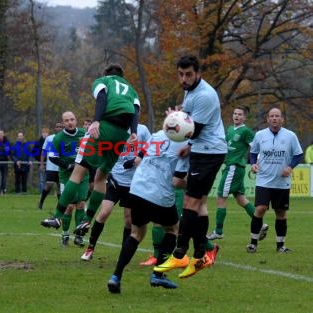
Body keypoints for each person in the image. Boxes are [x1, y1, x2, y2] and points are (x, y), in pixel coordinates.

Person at [41, 64, 140, 233]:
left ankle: (57, 215)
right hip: (122, 134)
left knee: (77, 173)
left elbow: (101, 97)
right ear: (122, 76)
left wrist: (96, 120)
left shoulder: (103, 81)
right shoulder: (132, 90)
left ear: (106, 74)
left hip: (105, 128)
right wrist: (134, 133)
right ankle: (87, 220)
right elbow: (136, 110)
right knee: (101, 177)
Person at [154, 55, 227, 279]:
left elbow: (192, 129)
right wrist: (184, 134)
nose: (184, 79)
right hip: (200, 149)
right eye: (181, 74)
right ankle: (202, 255)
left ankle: (180, 252)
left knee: (190, 201)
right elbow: (190, 124)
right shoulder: (190, 91)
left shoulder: (204, 95)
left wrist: (173, 121)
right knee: (200, 203)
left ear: (198, 73)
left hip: (209, 152)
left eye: (188, 75)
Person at [107, 129, 189, 293]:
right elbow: (177, 181)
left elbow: (137, 161)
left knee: (136, 234)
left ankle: (116, 276)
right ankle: (158, 274)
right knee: (173, 230)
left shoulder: (157, 135)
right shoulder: (185, 146)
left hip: (137, 188)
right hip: (160, 194)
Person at [81, 123, 150, 261]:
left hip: (133, 183)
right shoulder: (116, 128)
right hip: (115, 178)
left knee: (129, 220)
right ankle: (90, 248)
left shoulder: (143, 130)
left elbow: (150, 148)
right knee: (104, 212)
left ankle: (123, 253)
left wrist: (136, 160)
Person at [246, 107, 303, 253]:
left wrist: (290, 167)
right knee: (260, 209)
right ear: (267, 119)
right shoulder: (259, 135)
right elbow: (253, 153)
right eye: (272, 116)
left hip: (282, 183)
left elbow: (298, 155)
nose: (274, 118)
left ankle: (280, 246)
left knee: (280, 212)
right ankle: (253, 243)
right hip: (263, 180)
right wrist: (253, 164)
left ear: (282, 119)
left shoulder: (290, 136)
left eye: (277, 116)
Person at [208, 107, 267, 240]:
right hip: (231, 167)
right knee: (241, 199)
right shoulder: (229, 129)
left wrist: (257, 162)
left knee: (220, 198)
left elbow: (256, 147)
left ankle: (218, 231)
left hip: (234, 167)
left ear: (244, 118)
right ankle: (261, 224)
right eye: (235, 113)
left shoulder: (246, 131)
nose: (237, 116)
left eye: (240, 114)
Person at [46, 111, 89, 246]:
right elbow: (52, 156)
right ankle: (65, 234)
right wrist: (67, 166)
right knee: (69, 206)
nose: (70, 122)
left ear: (76, 120)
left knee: (81, 204)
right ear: (63, 123)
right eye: (66, 120)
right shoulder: (58, 138)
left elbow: (94, 149)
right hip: (66, 176)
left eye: (72, 119)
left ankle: (78, 236)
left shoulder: (84, 133)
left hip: (83, 175)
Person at [37, 123, 63, 209]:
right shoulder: (50, 138)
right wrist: (41, 164)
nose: (59, 128)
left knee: (60, 186)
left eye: (61, 127)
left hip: (62, 166)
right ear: (55, 128)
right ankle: (41, 202)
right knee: (49, 184)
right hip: (51, 166)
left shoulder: (66, 138)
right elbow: (44, 151)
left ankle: (60, 206)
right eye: (57, 127)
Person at [36, 127, 50, 193]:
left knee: (49, 179)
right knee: (41, 179)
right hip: (41, 163)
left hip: (50, 163)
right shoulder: (38, 142)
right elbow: (34, 152)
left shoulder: (50, 141)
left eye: (46, 133)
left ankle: (47, 192)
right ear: (41, 134)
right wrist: (38, 159)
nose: (45, 134)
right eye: (43, 133)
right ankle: (41, 192)